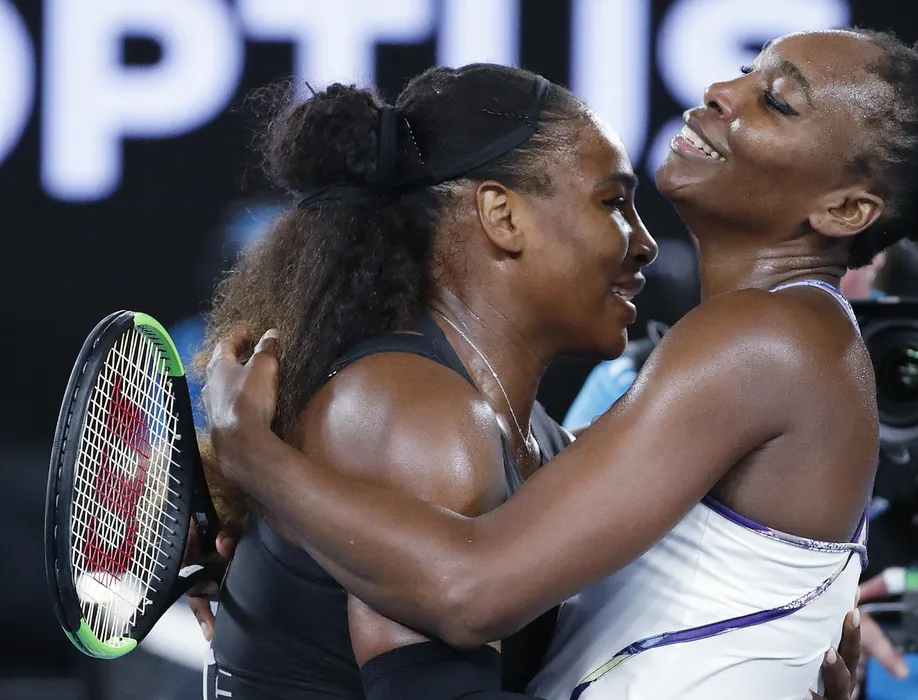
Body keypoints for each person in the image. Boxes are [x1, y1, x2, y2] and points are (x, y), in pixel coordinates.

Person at [205, 26, 918, 699]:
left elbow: (469, 590)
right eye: (745, 71)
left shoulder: (770, 337)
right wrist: (281, 561)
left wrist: (260, 462)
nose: (722, 91)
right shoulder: (760, 345)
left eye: (777, 101)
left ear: (844, 210)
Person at [194, 62, 668, 700]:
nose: (644, 243)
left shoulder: (527, 434)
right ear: (502, 215)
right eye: (612, 202)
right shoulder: (413, 417)